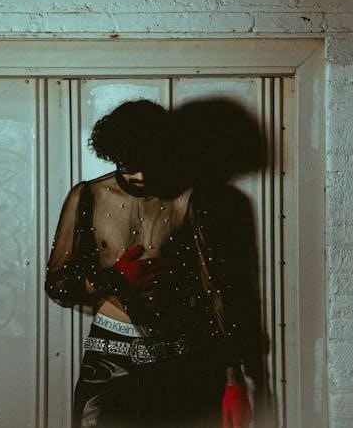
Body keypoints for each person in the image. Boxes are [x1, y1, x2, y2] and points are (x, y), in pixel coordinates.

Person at [45, 99, 263, 428]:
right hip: (109, 359)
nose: (141, 176)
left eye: (150, 163)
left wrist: (234, 378)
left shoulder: (190, 198)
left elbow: (216, 288)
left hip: (180, 359)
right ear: (112, 155)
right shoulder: (88, 196)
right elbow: (57, 285)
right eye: (129, 166)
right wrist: (114, 279)